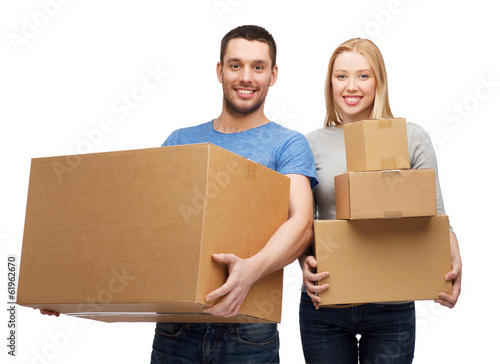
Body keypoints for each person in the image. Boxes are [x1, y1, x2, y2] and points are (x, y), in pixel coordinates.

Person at [42, 25, 318, 363]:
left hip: (248, 332)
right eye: (235, 65)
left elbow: (302, 224)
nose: (246, 77)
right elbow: (137, 228)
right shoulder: (181, 141)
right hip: (176, 328)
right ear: (219, 71)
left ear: (273, 75)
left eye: (257, 67)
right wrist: (65, 286)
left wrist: (250, 272)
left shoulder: (287, 144)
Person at [299, 38, 462, 364]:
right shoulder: (310, 144)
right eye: (341, 76)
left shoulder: (410, 137)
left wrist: (453, 256)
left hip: (392, 301)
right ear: (330, 82)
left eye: (363, 75)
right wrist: (303, 260)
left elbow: (435, 212)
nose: (351, 86)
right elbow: (303, 220)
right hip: (328, 299)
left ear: (379, 81)